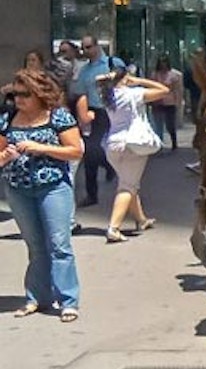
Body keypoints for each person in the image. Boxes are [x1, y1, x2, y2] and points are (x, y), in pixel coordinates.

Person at [0, 70, 85, 321]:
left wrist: (41, 148)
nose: (19, 100)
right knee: (35, 246)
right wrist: (5, 158)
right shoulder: (8, 118)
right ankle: (37, 297)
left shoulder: (58, 117)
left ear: (39, 94)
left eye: (25, 95)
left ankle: (68, 300)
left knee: (59, 245)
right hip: (18, 189)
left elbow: (75, 151)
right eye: (15, 94)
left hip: (53, 187)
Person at [98, 68, 170, 242]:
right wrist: (139, 81)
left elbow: (98, 80)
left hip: (112, 144)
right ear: (125, 78)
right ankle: (114, 228)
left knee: (128, 182)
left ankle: (141, 220)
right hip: (132, 144)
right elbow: (164, 90)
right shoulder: (133, 94)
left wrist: (114, 77)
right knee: (127, 187)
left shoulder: (106, 95)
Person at [71, 35, 122, 206]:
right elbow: (80, 93)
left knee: (110, 146)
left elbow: (125, 78)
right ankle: (92, 192)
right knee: (90, 149)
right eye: (83, 48)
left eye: (88, 47)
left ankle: (114, 170)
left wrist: (111, 77)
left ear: (96, 46)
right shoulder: (84, 70)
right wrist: (82, 114)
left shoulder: (111, 62)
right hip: (95, 111)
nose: (86, 51)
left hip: (113, 109)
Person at [149, 55, 184, 151]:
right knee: (158, 124)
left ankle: (174, 142)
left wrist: (178, 102)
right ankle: (159, 144)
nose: (163, 65)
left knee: (170, 124)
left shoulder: (175, 75)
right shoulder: (155, 74)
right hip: (157, 101)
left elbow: (178, 89)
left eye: (164, 63)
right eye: (161, 63)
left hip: (170, 102)